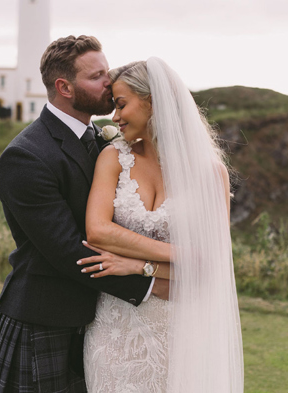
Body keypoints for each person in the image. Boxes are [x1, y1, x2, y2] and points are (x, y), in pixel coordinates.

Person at [0, 35, 169, 393]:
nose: (108, 83)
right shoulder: (26, 156)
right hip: (43, 319)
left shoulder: (106, 140)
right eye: (96, 77)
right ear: (64, 87)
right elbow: (68, 250)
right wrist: (154, 282)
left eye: (106, 72)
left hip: (98, 319)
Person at [78, 59, 244, 392]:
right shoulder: (113, 158)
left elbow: (211, 268)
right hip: (113, 331)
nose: (115, 117)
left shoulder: (211, 175)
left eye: (122, 104)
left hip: (181, 333)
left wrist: (139, 265)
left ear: (153, 101)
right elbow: (97, 231)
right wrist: (184, 256)